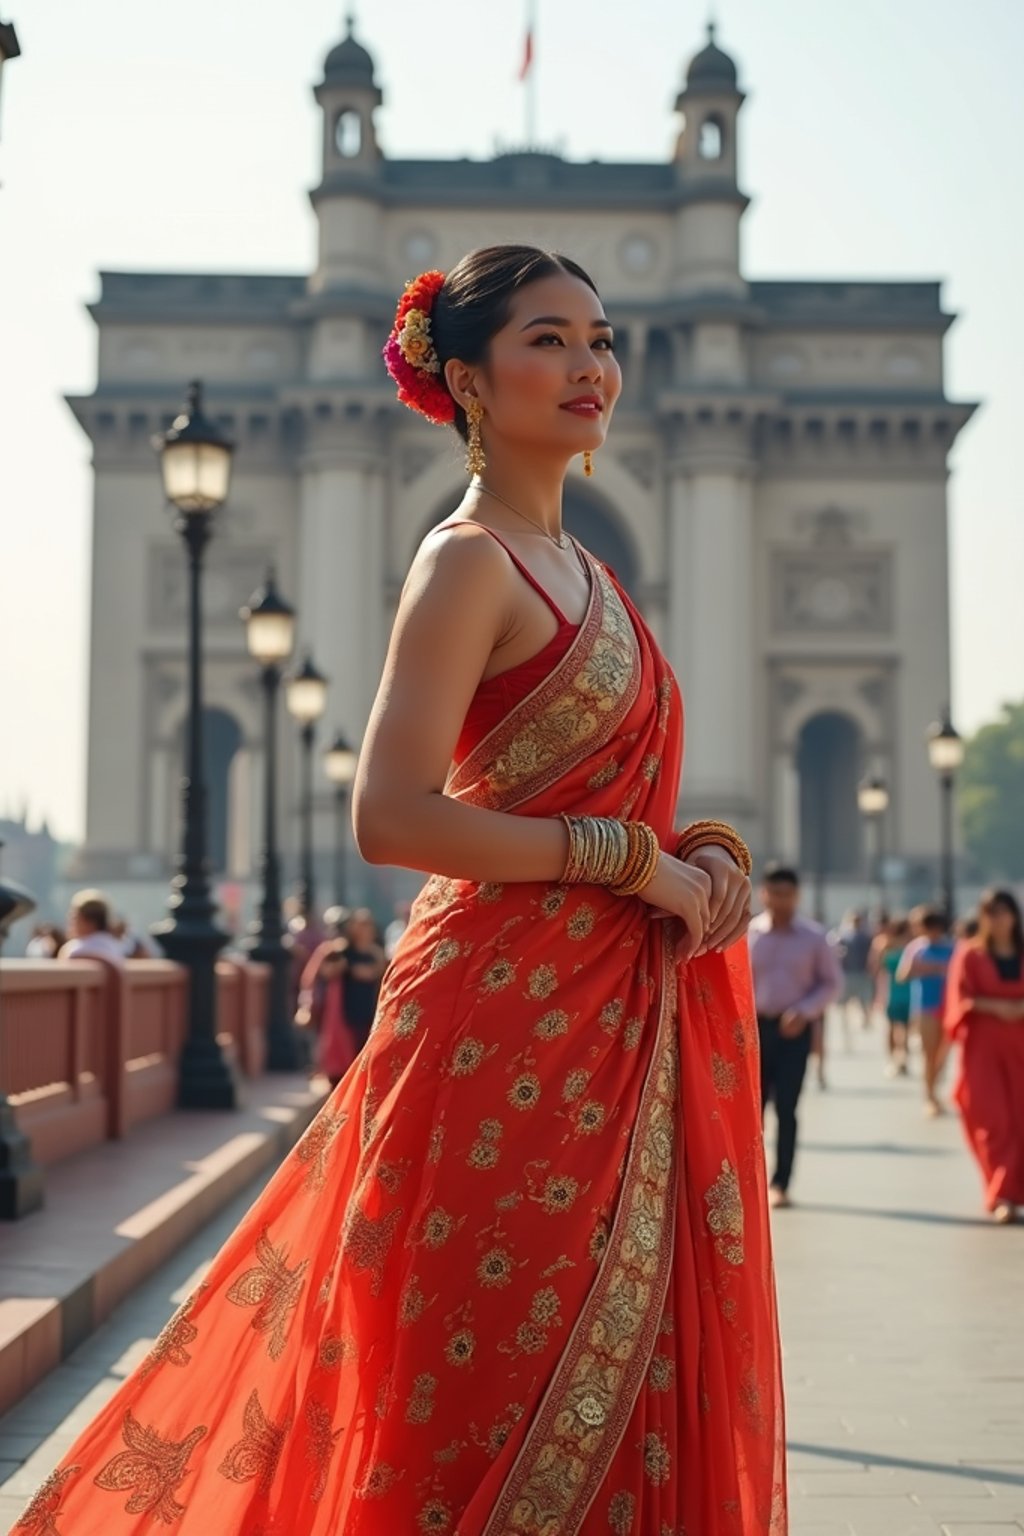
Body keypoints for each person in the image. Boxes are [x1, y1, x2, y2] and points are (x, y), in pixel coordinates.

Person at [18, 246, 786, 1534]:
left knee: (628, 1368)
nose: (591, 364)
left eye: (601, 338)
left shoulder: (591, 576)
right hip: (497, 1029)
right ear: (466, 378)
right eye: (548, 339)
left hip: (615, 1025)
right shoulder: (466, 560)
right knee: (477, 1372)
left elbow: (610, 796)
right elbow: (389, 815)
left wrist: (702, 857)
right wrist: (627, 862)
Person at [749, 864, 843, 1207]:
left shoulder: (814, 938)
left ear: (796, 896)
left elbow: (832, 983)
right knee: (750, 1110)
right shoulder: (750, 934)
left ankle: (781, 1182)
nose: (780, 901)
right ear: (763, 893)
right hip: (754, 1030)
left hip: (794, 1030)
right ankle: (750, 1179)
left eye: (787, 894)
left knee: (786, 1107)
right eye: (774, 893)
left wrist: (805, 1011)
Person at [944, 889, 1024, 1224]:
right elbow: (959, 999)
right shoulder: (970, 955)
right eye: (991, 912)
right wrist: (996, 1006)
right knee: (992, 1120)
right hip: (983, 1047)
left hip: (1020, 1044)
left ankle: (1008, 1191)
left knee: (1020, 1119)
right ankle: (1000, 1191)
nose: (999, 919)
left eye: (1004, 911)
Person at [897, 905, 955, 1116]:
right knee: (928, 1054)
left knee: (943, 1054)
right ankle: (929, 1096)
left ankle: (935, 1088)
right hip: (925, 1007)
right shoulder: (916, 949)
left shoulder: (953, 947)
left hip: (948, 1007)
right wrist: (924, 968)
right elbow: (901, 976)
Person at [296, 909, 359, 1089]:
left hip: (349, 1003)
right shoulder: (329, 950)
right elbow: (313, 977)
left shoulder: (353, 949)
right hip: (329, 1004)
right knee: (329, 1040)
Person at [871, 915, 913, 1076]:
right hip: (903, 990)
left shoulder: (885, 945)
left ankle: (894, 1059)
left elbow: (876, 968)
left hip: (890, 990)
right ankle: (902, 1058)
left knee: (892, 1026)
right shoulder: (909, 946)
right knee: (905, 1028)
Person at [830, 909, 874, 1035]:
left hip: (859, 972)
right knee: (849, 1000)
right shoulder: (845, 937)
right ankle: (847, 1022)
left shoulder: (864, 937)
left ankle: (862, 1020)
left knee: (863, 1000)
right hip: (849, 973)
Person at [57, 890, 126, 967]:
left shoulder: (73, 950)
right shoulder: (115, 947)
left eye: (74, 918)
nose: (70, 923)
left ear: (89, 922)